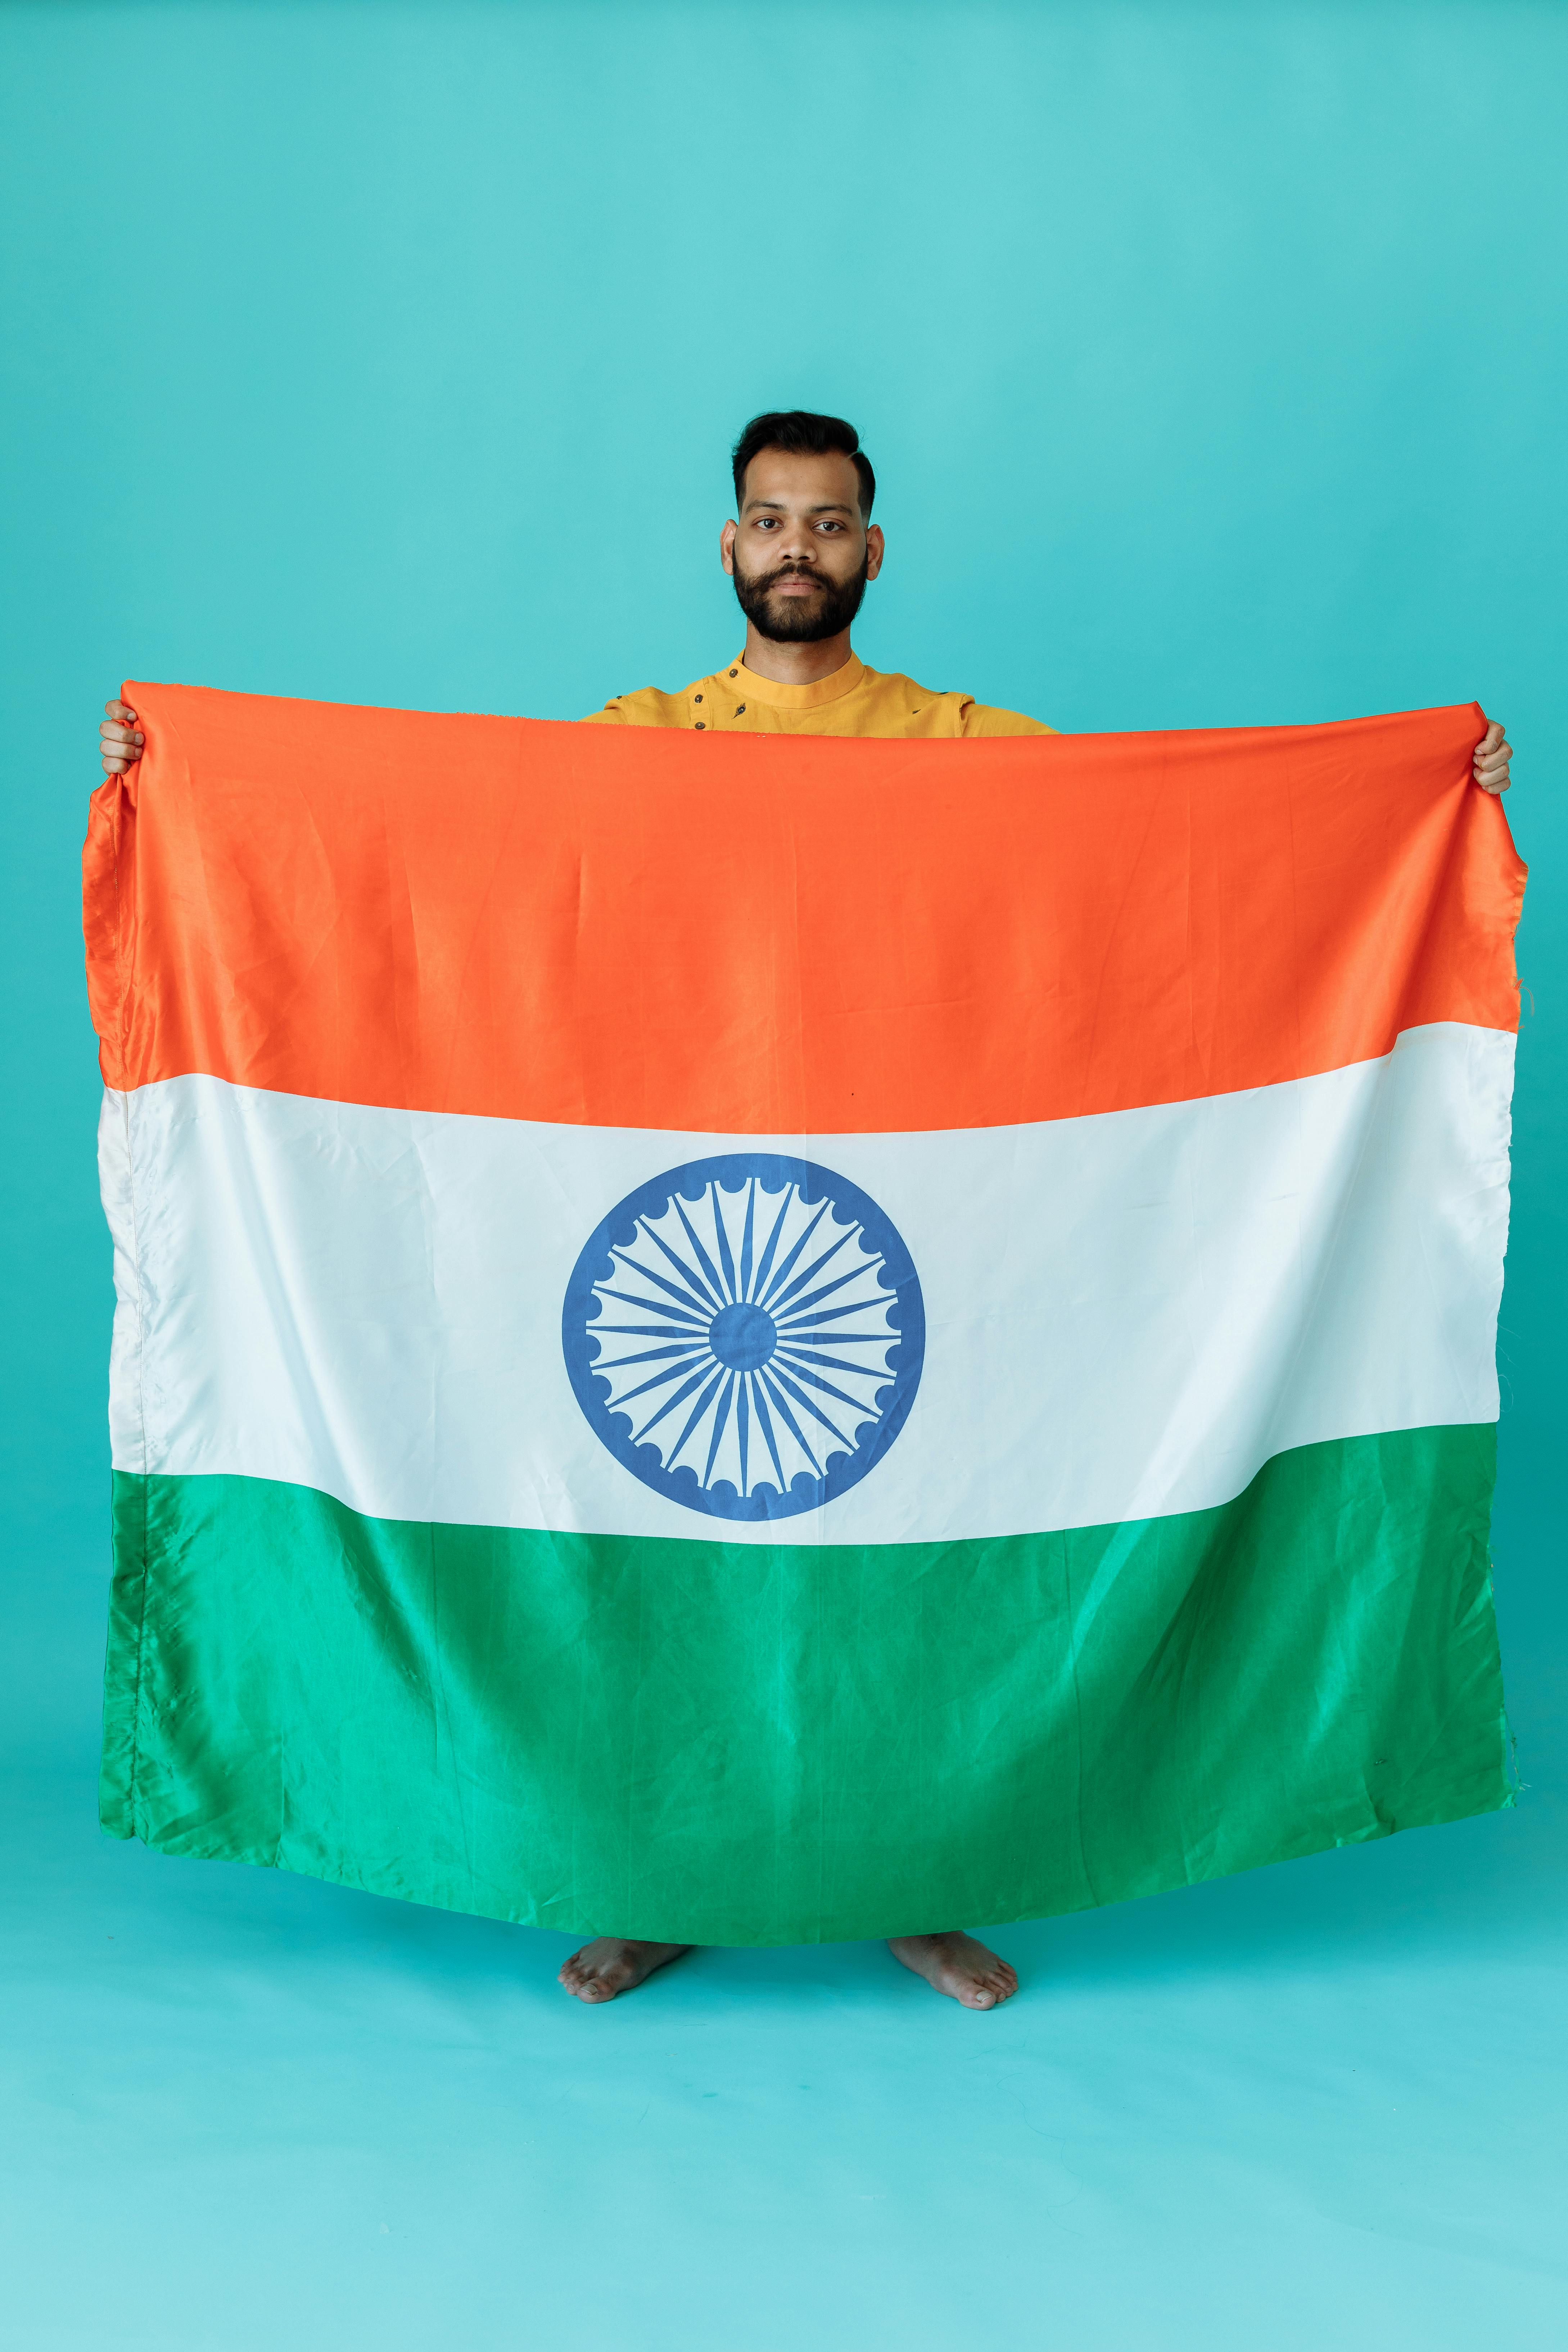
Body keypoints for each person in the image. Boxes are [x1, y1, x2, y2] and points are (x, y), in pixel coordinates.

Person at [97, 410, 1516, 2010]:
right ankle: (655, 1875)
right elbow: (467, 860)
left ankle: (919, 1875)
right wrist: (188, 787)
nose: (796, 549)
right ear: (726, 544)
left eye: (828, 524)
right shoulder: (637, 742)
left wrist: (1415, 795)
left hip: (918, 1195)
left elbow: (1154, 852)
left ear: (872, 549)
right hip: (671, 1185)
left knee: (899, 1552)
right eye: (769, 521)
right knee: (672, 1548)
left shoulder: (962, 742)